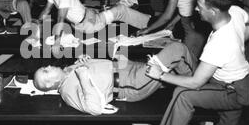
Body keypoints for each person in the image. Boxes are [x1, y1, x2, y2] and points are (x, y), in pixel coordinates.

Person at [142, 0, 249, 125]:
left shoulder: (221, 43)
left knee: (184, 95)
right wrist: (240, 45)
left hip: (232, 90)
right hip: (232, 79)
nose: (196, 9)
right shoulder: (234, 11)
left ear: (213, 11)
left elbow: (195, 82)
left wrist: (160, 75)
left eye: (199, 6)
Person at [33, 42, 196, 116]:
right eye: (45, 72)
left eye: (44, 68)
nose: (47, 66)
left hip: (127, 68)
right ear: (51, 84)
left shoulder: (68, 70)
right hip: (131, 83)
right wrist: (83, 77)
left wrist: (85, 61)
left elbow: (91, 73)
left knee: (175, 68)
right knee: (177, 49)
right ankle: (196, 87)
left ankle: (190, 86)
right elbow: (94, 108)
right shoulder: (67, 92)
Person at [39, 0, 151, 56]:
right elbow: (60, 18)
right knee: (120, 10)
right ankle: (150, 24)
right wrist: (57, 43)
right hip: (89, 24)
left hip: (88, 15)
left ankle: (135, 10)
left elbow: (46, 11)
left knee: (113, 7)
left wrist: (37, 26)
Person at [139, 0, 205, 58]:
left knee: (185, 60)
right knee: (191, 59)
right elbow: (186, 6)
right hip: (198, 26)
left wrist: (147, 29)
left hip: (190, 29)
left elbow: (167, 16)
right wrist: (173, 23)